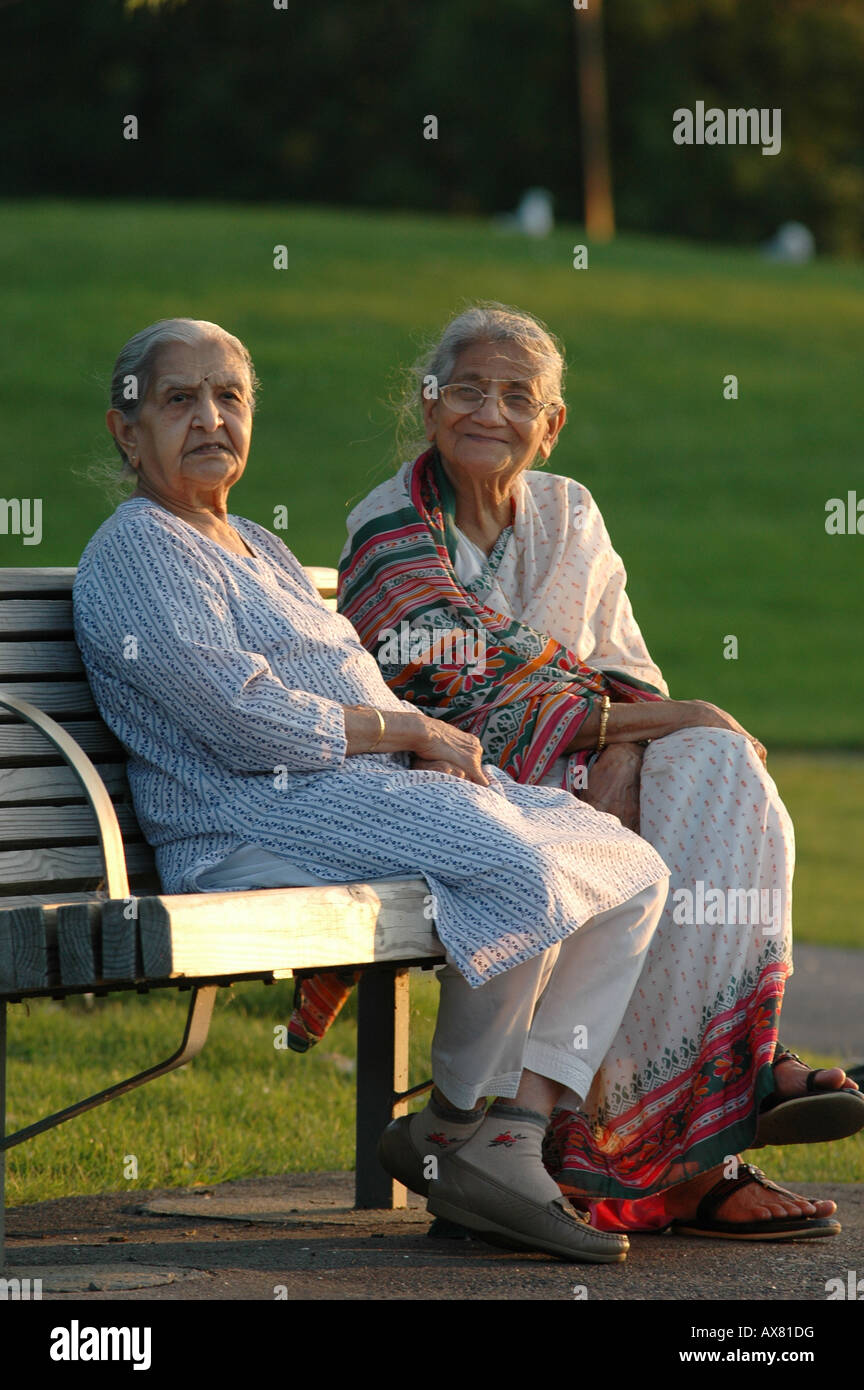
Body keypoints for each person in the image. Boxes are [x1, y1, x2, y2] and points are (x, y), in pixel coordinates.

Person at [73, 316, 683, 1263]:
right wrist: (408, 730)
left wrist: (417, 746)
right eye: (177, 399)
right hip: (248, 815)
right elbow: (238, 720)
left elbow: (344, 678)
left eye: (229, 397)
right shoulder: (141, 548)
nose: (209, 419)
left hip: (355, 796)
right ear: (127, 430)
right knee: (519, 868)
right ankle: (463, 1126)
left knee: (628, 862)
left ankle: (490, 1132)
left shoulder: (257, 546)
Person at [331, 302, 864, 1239]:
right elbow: (458, 695)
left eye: (516, 396)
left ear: (552, 423)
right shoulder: (387, 531)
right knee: (655, 780)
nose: (489, 412)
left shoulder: (570, 509)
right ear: (428, 406)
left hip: (577, 765)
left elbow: (623, 669)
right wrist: (627, 727)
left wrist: (624, 735)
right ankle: (704, 1147)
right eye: (466, 389)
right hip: (456, 783)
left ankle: (731, 1075)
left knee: (718, 767)